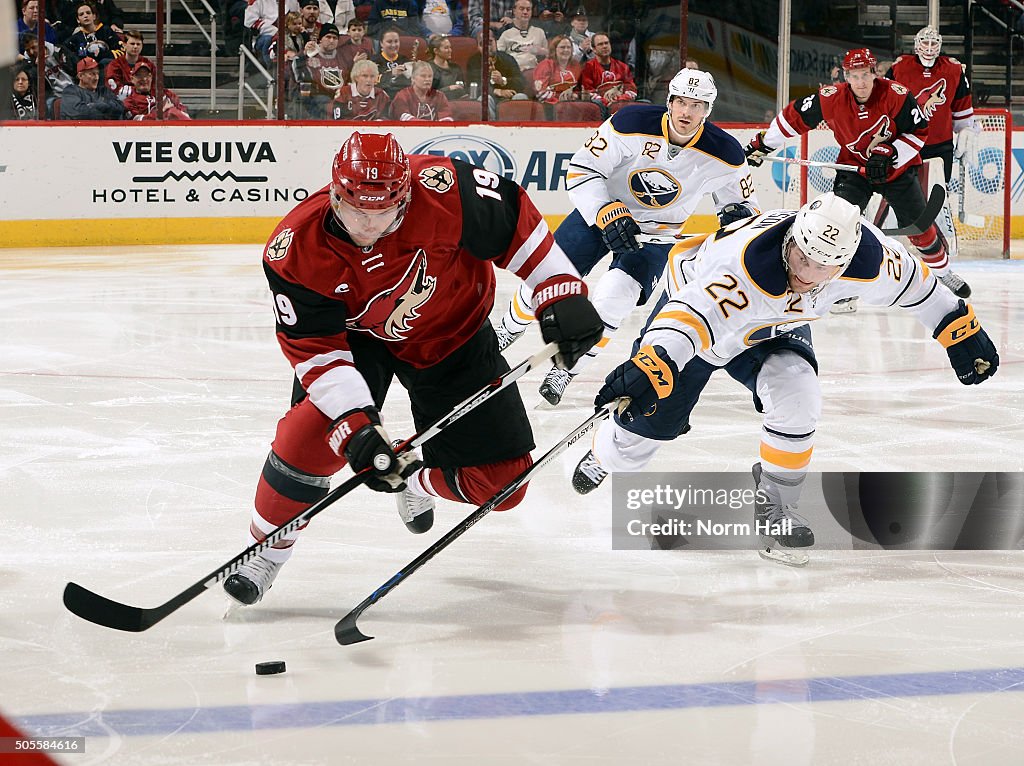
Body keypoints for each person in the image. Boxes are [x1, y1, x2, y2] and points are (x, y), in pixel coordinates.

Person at [221, 131, 603, 605]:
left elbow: (514, 223)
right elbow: (317, 350)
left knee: (504, 486)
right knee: (308, 437)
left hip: (452, 331)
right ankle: (266, 552)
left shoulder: (445, 189)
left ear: (403, 196)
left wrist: (561, 288)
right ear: (335, 194)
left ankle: (415, 472)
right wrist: (354, 424)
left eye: (384, 212)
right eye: (357, 210)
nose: (369, 225)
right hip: (356, 341)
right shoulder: (294, 248)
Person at [574, 194, 998, 565]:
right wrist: (656, 360)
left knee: (798, 393)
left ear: (845, 261)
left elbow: (918, 285)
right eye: (801, 258)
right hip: (703, 318)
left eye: (823, 267)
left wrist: (958, 326)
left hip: (771, 326)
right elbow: (691, 313)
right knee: (636, 442)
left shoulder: (869, 258)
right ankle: (604, 455)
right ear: (792, 237)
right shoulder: (746, 263)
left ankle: (776, 503)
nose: (807, 274)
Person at [495, 69, 760, 405]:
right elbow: (582, 168)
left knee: (613, 300)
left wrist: (737, 217)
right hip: (602, 215)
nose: (686, 112)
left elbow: (743, 208)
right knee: (546, 280)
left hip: (655, 238)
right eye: (681, 102)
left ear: (708, 110)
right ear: (670, 102)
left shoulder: (726, 154)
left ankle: (568, 365)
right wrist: (604, 210)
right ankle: (510, 325)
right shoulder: (630, 121)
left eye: (697, 105)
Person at [744, 48, 970, 317]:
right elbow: (793, 117)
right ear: (846, 76)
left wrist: (892, 154)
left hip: (896, 173)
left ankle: (943, 273)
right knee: (840, 228)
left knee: (920, 228)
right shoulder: (832, 98)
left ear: (874, 73)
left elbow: (919, 132)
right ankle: (844, 289)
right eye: (854, 75)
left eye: (865, 74)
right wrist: (765, 145)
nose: (860, 82)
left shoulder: (896, 95)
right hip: (854, 170)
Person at [886, 26, 980, 281]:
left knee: (937, 198)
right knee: (902, 196)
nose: (928, 49)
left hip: (940, 146)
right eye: (924, 43)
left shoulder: (953, 69)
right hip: (907, 143)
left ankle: (938, 251)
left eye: (933, 44)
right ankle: (897, 248)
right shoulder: (899, 67)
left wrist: (967, 131)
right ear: (916, 45)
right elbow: (883, 101)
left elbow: (962, 109)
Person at [579, 31, 636, 116]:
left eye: (606, 43)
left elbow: (632, 90)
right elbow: (589, 92)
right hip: (600, 109)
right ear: (594, 49)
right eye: (600, 44)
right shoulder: (587, 68)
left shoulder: (622, 67)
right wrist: (606, 102)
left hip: (620, 106)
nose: (605, 46)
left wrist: (618, 101)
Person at [60, 55, 125, 118]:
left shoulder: (104, 91)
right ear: (80, 76)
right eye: (92, 74)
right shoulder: (70, 91)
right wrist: (104, 107)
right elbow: (78, 113)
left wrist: (96, 106)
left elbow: (120, 108)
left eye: (97, 74)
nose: (96, 78)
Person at [497, 0, 547, 82]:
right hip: (512, 76)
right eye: (521, 9)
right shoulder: (505, 33)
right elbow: (498, 57)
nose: (525, 12)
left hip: (535, 75)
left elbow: (548, 57)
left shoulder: (539, 32)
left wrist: (541, 51)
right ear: (514, 11)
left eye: (528, 9)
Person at [122, 61, 192, 119]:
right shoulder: (129, 102)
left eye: (147, 75)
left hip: (174, 130)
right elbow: (135, 122)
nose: (144, 79)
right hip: (149, 133)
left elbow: (183, 110)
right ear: (132, 79)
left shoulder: (165, 93)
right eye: (139, 76)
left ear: (151, 77)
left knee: (173, 112)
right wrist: (161, 113)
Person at [66, 1, 123, 70]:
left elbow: (121, 51)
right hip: (86, 72)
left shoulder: (106, 31)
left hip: (107, 69)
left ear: (94, 16)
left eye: (88, 13)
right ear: (78, 20)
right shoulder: (76, 38)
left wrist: (102, 55)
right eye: (81, 14)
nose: (85, 16)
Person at [533, 34, 581, 104]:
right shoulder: (545, 65)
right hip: (551, 106)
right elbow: (540, 93)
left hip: (574, 103)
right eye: (562, 47)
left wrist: (575, 95)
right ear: (554, 50)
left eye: (569, 47)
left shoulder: (576, 65)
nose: (566, 50)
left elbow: (581, 88)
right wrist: (561, 98)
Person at [105, 29, 153, 98]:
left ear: (142, 46)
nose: (135, 47)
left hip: (146, 102)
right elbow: (114, 89)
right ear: (124, 45)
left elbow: (156, 86)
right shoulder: (114, 65)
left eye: (138, 44)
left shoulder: (148, 64)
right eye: (132, 44)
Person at [371, 26, 413, 99]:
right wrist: (392, 73)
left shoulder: (405, 60)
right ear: (381, 43)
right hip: (382, 99)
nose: (393, 45)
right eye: (389, 42)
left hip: (405, 98)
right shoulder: (373, 61)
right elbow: (372, 81)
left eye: (396, 41)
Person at [427, 33, 467, 100]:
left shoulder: (456, 68)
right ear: (436, 51)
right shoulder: (427, 68)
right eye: (446, 48)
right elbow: (426, 94)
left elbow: (463, 89)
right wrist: (448, 89)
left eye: (450, 47)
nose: (450, 50)